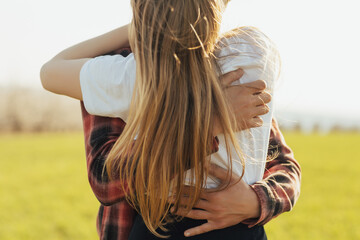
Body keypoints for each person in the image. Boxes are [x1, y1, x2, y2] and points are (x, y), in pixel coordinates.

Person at [40, 0, 301, 239]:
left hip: (160, 229)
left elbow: (283, 165)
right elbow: (105, 181)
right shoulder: (247, 58)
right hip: (220, 232)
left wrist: (255, 201)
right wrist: (209, 122)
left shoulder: (128, 75)